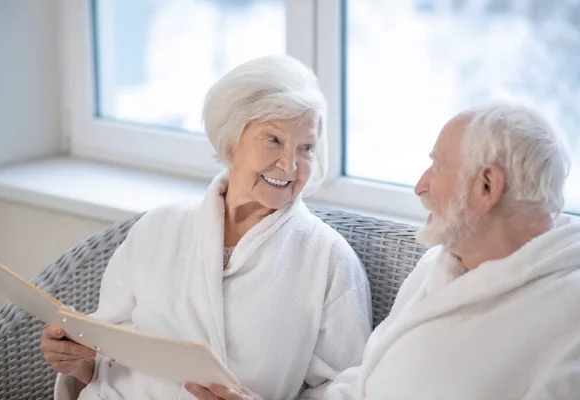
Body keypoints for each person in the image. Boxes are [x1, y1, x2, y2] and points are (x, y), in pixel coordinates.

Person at [192, 103, 580, 400]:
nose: (420, 187)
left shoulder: (566, 322)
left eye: (438, 167)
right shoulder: (440, 264)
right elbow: (364, 382)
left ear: (486, 187)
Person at [40, 55, 372, 400]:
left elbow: (351, 387)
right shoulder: (157, 227)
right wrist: (74, 360)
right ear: (230, 140)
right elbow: (104, 357)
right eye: (272, 140)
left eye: (305, 148)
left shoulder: (327, 259)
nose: (289, 165)